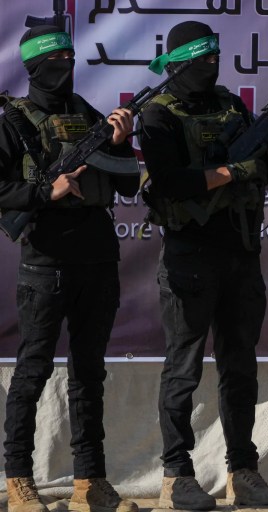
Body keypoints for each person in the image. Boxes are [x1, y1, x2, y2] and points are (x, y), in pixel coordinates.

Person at [138, 21, 268, 510]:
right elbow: (169, 183)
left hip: (240, 252)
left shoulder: (231, 106)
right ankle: (176, 476)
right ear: (181, 63)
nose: (212, 66)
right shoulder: (157, 116)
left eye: (217, 57)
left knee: (240, 366)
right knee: (183, 369)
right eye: (203, 59)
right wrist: (232, 170)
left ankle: (243, 471)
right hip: (189, 254)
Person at [1, 25, 139, 512]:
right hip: (46, 264)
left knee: (89, 374)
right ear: (34, 65)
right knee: (32, 371)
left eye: (69, 55)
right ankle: (17, 477)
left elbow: (126, 189)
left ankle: (90, 480)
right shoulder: (11, 120)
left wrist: (120, 143)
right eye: (54, 57)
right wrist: (46, 192)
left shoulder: (86, 113)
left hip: (98, 259)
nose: (65, 64)